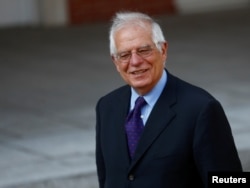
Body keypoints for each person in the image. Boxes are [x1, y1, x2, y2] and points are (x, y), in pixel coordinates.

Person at [95, 11, 242, 188]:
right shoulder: (106, 107)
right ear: (115, 61)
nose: (135, 61)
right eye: (124, 55)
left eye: (143, 50)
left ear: (163, 50)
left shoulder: (201, 109)